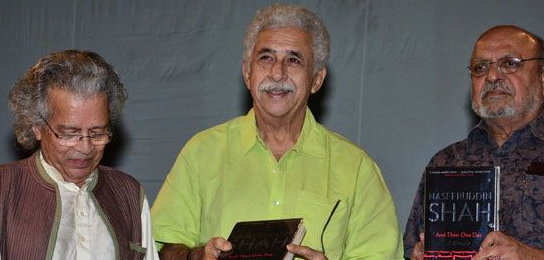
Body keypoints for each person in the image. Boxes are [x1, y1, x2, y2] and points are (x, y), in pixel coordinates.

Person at [151, 3, 402, 260]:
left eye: (293, 60)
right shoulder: (202, 153)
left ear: (316, 79)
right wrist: (196, 256)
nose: (277, 72)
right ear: (248, 73)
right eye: (266, 58)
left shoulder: (357, 170)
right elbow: (159, 250)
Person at [0, 50, 159, 260]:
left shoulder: (129, 194)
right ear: (37, 127)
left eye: (97, 133)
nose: (85, 148)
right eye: (68, 134)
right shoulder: (5, 188)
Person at [404, 25, 544, 260]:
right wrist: (418, 255)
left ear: (542, 76)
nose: (492, 76)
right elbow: (410, 247)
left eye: (510, 63)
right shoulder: (447, 162)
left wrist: (534, 257)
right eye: (480, 68)